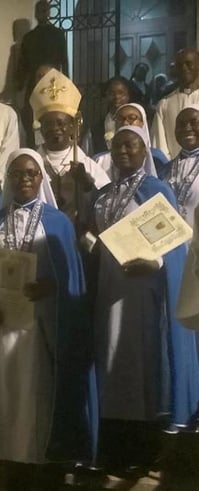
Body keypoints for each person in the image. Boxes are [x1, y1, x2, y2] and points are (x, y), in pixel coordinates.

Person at [0, 148, 97, 490]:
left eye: (31, 174)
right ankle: (2, 455)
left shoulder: (57, 221)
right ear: (8, 179)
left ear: (41, 180)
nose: (24, 179)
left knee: (33, 393)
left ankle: (36, 459)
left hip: (38, 326)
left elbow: (72, 279)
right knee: (0, 391)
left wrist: (51, 286)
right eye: (17, 173)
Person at [90, 125, 199, 470]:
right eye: (118, 145)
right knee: (111, 362)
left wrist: (155, 262)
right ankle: (113, 442)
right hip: (110, 291)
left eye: (131, 145)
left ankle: (144, 446)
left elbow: (173, 246)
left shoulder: (156, 190)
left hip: (144, 294)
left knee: (140, 365)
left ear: (145, 150)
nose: (123, 151)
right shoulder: (104, 195)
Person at [29, 68, 110, 227]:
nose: (55, 128)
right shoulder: (33, 162)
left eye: (61, 123)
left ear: (73, 126)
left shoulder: (87, 165)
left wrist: (86, 183)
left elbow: (106, 204)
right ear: (41, 128)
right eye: (48, 124)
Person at [16, 0, 68, 146]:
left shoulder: (58, 34)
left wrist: (67, 82)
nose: (43, 13)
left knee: (54, 115)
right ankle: (35, 148)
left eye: (45, 10)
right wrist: (19, 85)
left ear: (49, 12)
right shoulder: (29, 37)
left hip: (55, 84)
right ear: (36, 13)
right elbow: (22, 64)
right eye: (40, 10)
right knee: (32, 120)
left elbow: (64, 61)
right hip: (33, 85)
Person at [95, 103, 168, 179]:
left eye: (131, 118)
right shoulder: (99, 159)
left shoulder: (156, 156)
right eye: (120, 119)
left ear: (142, 122)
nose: (125, 123)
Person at [152, 48, 199, 160]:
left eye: (189, 64)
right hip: (173, 171)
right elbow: (159, 143)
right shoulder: (165, 104)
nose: (184, 68)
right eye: (179, 65)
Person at [81, 76, 133, 157]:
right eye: (112, 93)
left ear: (128, 96)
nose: (116, 97)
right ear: (105, 97)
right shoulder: (94, 132)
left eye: (121, 93)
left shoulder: (137, 126)